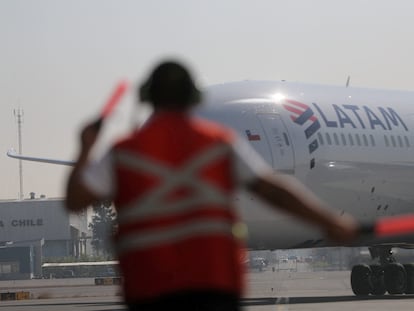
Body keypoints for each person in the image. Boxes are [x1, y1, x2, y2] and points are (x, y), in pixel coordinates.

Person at [65, 60, 358, 311]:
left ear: (147, 99)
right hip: (214, 282)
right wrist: (330, 222)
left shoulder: (125, 150)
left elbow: (75, 201)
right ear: (194, 98)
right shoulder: (217, 143)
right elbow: (272, 189)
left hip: (149, 284)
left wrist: (85, 149)